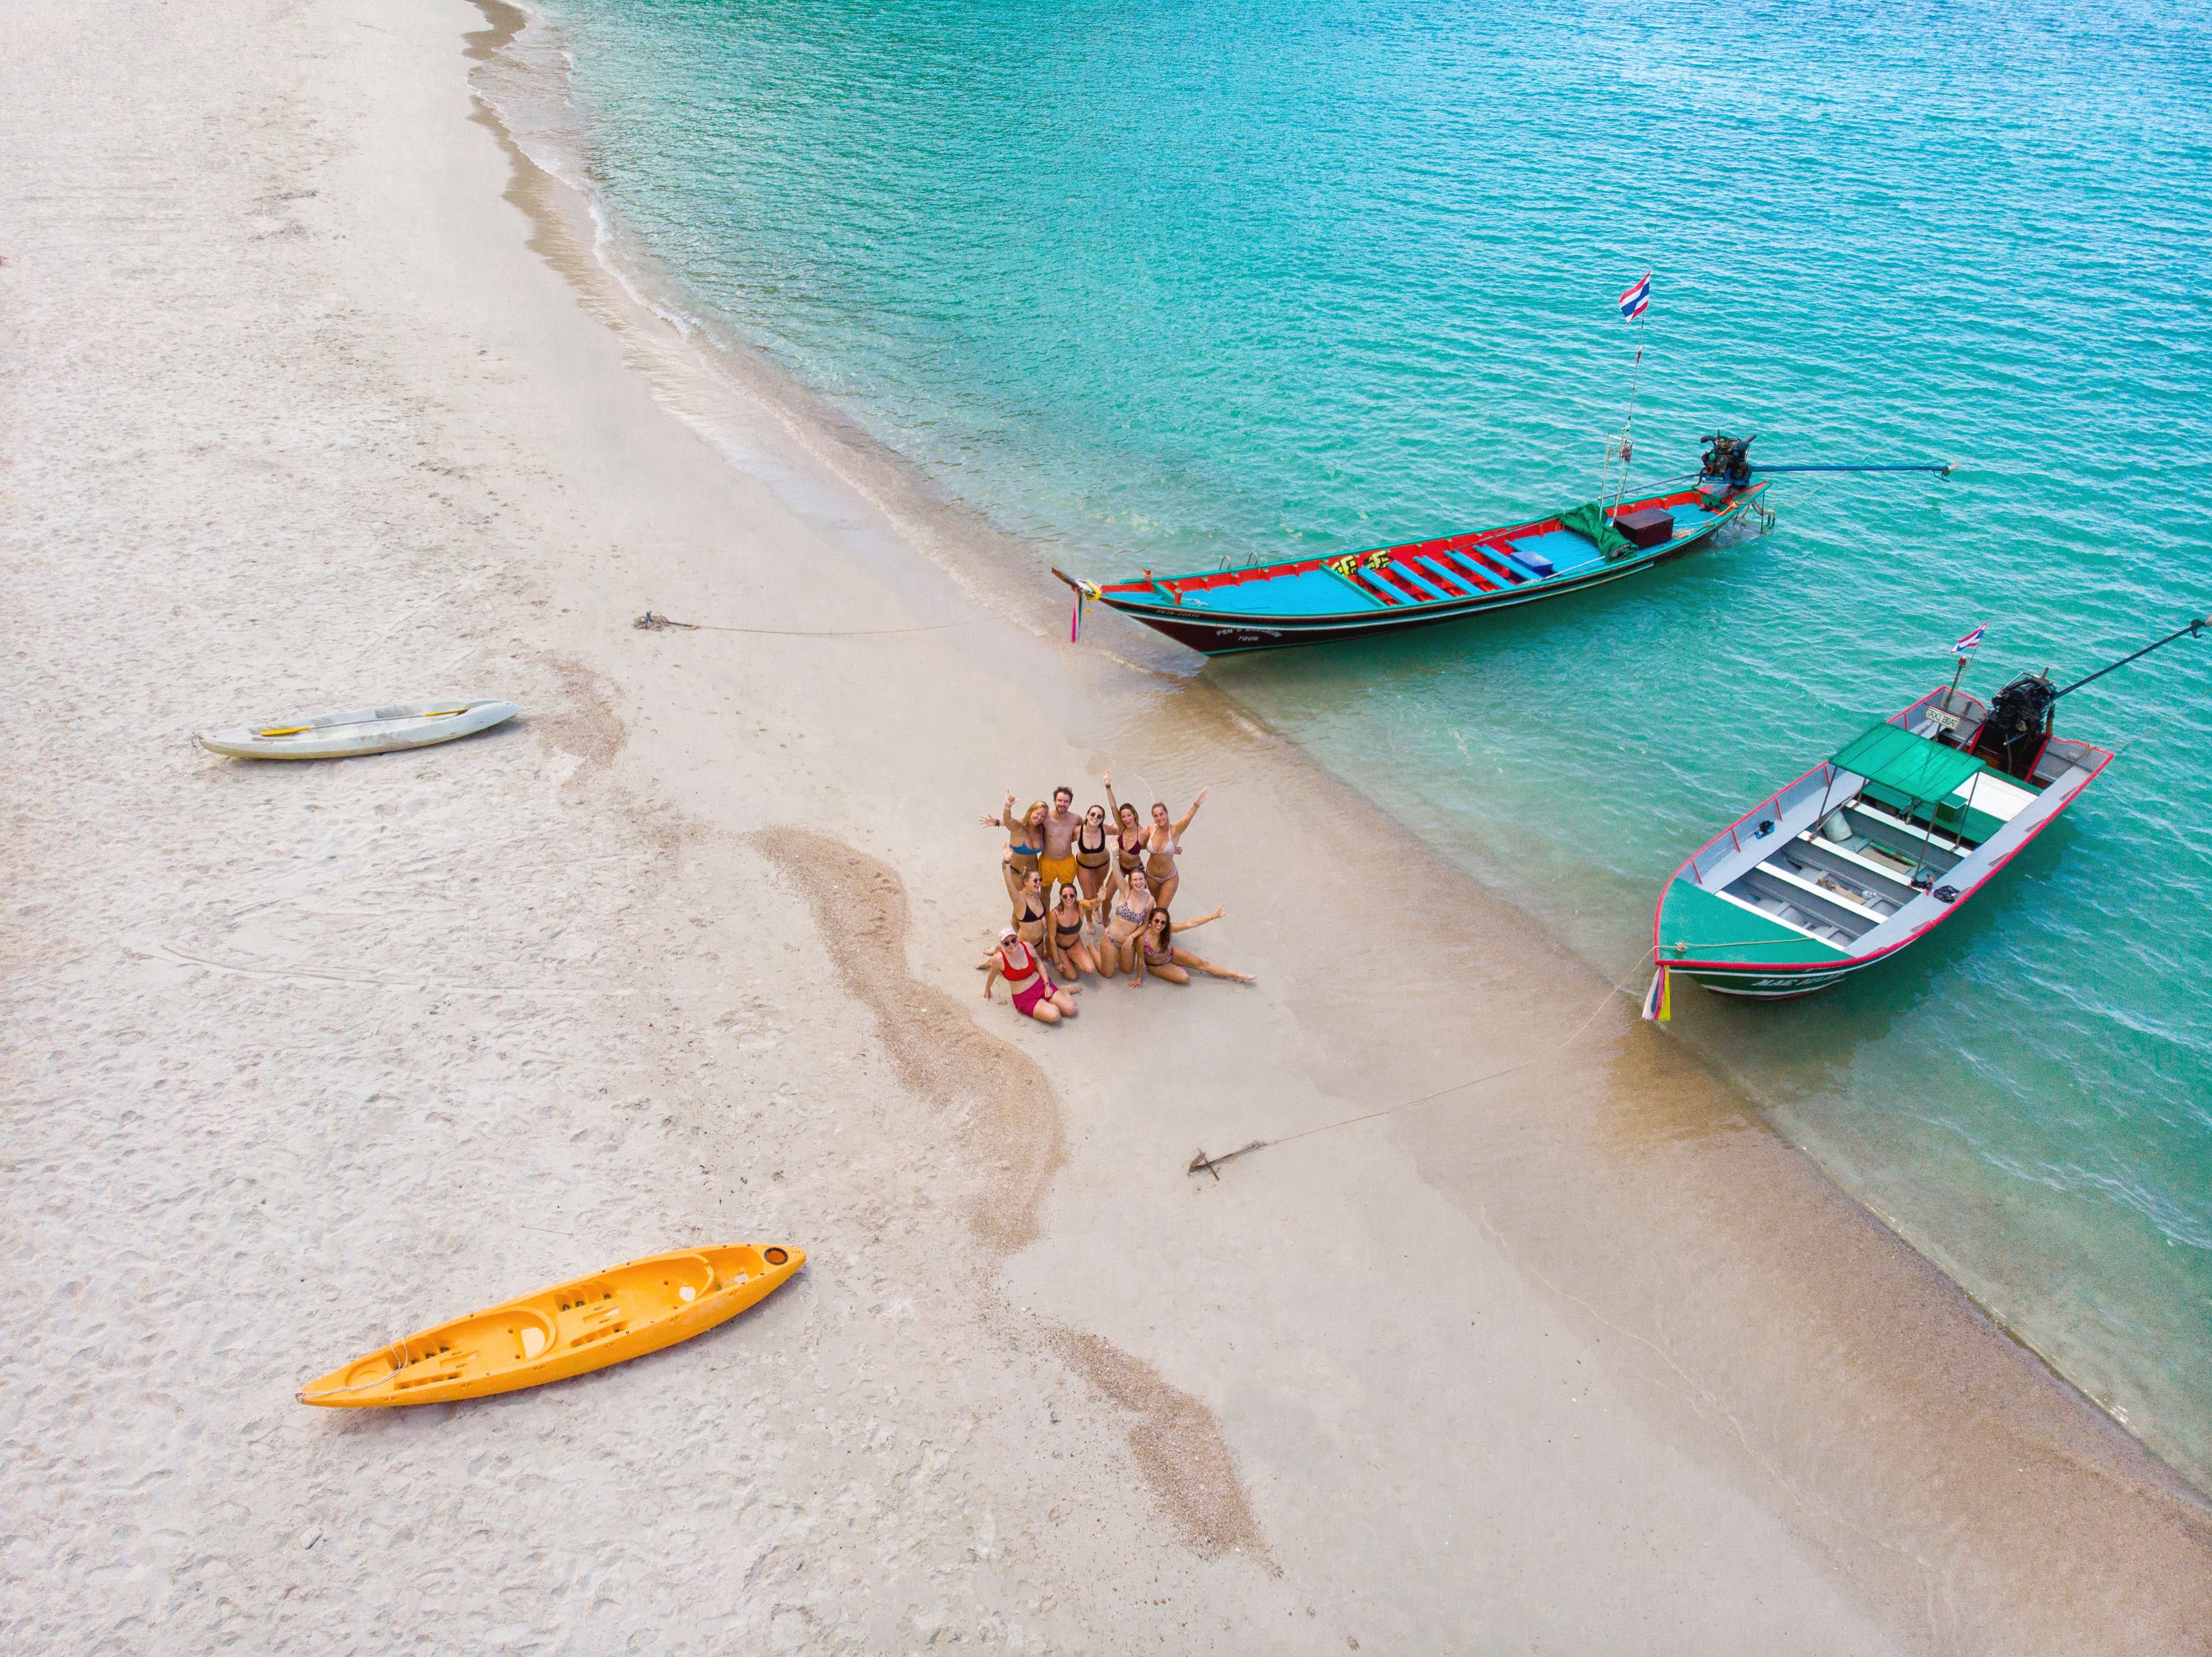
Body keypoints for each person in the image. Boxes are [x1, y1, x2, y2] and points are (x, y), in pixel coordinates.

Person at [1105, 773, 1209, 910]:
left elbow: (1187, 818)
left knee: (1159, 910)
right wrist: (1108, 786)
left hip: (1164, 875)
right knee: (1151, 907)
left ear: (1167, 814)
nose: (1159, 818)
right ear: (1153, 817)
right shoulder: (1150, 829)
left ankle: (1157, 929)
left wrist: (1197, 803)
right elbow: (1141, 845)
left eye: (1162, 814)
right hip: (1151, 875)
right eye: (1156, 815)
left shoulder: (1174, 830)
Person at [1128, 905, 1253, 987]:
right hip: (1156, 966)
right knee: (1184, 978)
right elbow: (1140, 959)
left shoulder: (1168, 930)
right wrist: (1139, 978)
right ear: (1151, 921)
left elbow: (1191, 924)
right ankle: (1174, 968)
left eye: (1163, 922)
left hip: (1170, 954)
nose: (1159, 925)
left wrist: (1213, 916)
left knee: (1204, 964)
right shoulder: (1142, 939)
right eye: (1156, 921)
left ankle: (1238, 975)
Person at [983, 926, 1077, 1024]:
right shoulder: (999, 959)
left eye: (1013, 940)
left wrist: (1047, 985)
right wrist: (987, 989)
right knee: (1055, 1015)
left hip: (1041, 985)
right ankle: (1048, 1004)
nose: (1011, 945)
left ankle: (1064, 990)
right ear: (1002, 945)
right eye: (1007, 943)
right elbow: (992, 974)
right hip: (1024, 998)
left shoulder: (1028, 947)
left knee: (1071, 1009)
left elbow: (1039, 964)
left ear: (1017, 938)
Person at [981, 792, 1048, 905]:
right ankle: (1016, 922)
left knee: (1032, 904)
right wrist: (1008, 806)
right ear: (1031, 811)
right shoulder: (1018, 827)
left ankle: (1016, 921)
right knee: (1022, 904)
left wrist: (998, 822)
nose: (1039, 818)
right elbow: (1009, 821)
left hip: (1033, 875)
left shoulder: (1041, 829)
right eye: (1037, 814)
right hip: (1015, 872)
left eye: (1043, 816)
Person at [1096, 866, 1154, 979]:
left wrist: (1132, 937)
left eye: (1141, 879)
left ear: (1146, 880)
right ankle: (1093, 950)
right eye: (1135, 880)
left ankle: (1113, 956)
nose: (1138, 882)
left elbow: (1145, 924)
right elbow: (1117, 872)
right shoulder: (1126, 891)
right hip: (1111, 937)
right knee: (1107, 973)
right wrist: (1115, 855)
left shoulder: (1150, 900)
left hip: (1128, 942)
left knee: (1127, 970)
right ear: (1130, 882)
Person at [1045, 880, 1101, 982]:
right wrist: (1057, 960)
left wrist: (1100, 899)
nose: (1069, 899)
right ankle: (1052, 954)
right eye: (1065, 896)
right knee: (1072, 977)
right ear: (1060, 897)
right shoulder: (1054, 914)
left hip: (1075, 943)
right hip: (1059, 947)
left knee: (1091, 969)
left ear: (1076, 896)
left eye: (1072, 895)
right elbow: (1051, 939)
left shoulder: (1080, 906)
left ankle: (1078, 954)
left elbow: (1090, 904)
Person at [1037, 786, 1082, 900]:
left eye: (1066, 801)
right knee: (1045, 894)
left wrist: (1110, 829)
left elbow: (1091, 828)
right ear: (1054, 801)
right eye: (1060, 801)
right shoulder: (1045, 818)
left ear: (1070, 803)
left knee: (1068, 895)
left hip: (1067, 861)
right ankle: (1046, 917)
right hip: (1047, 862)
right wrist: (999, 822)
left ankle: (1065, 917)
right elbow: (1026, 822)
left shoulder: (1076, 818)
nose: (1062, 804)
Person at [1072, 802, 1114, 902]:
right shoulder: (1077, 831)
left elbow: (1122, 830)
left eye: (1099, 816)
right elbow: (1064, 839)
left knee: (1099, 886)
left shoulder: (1105, 829)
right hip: (1084, 865)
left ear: (1102, 820)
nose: (1095, 818)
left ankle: (1096, 909)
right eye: (1093, 814)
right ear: (1087, 815)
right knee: (1088, 896)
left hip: (1103, 863)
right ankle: (1089, 918)